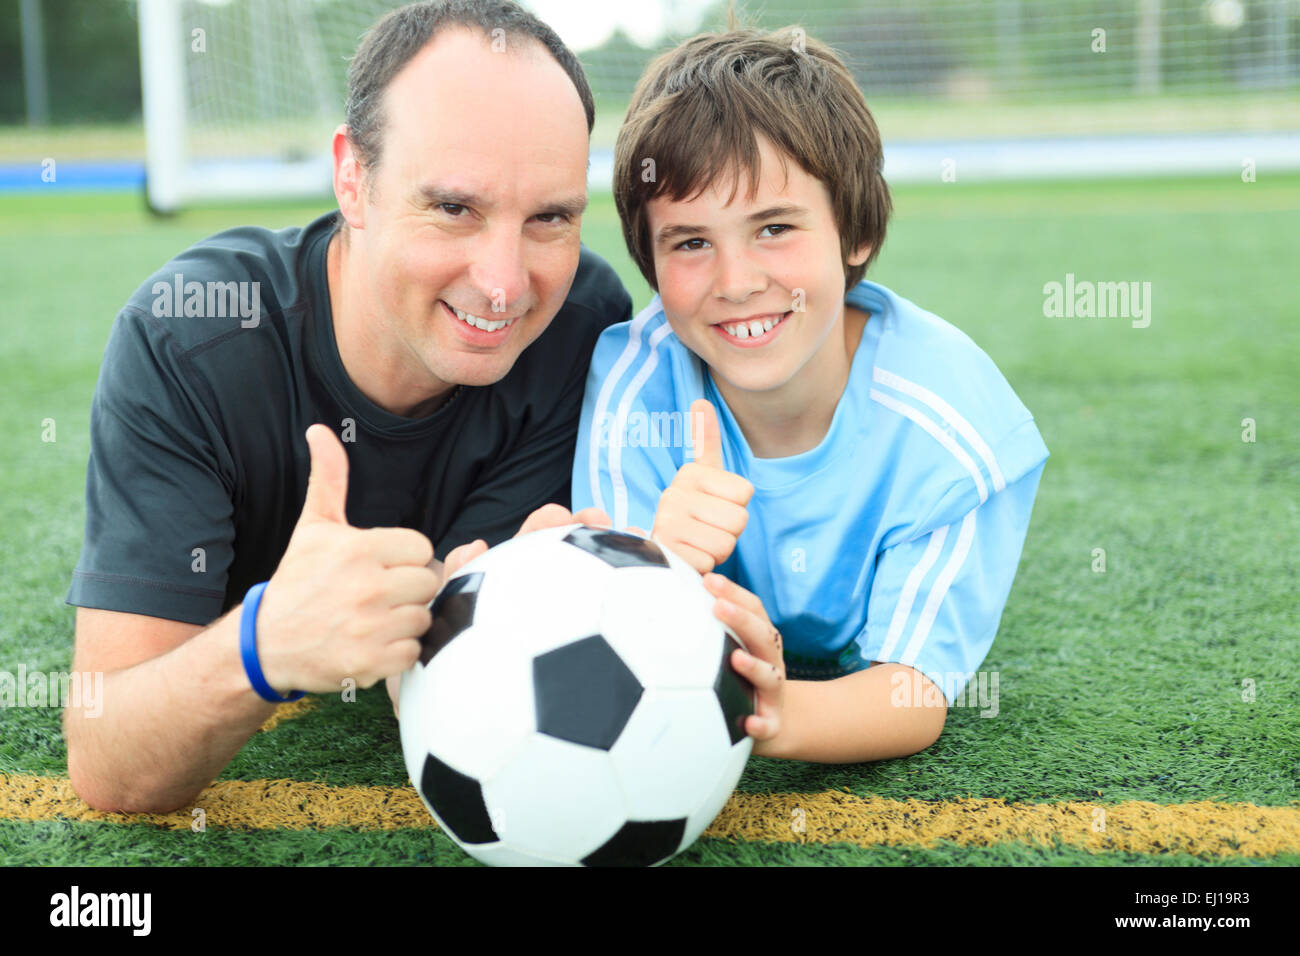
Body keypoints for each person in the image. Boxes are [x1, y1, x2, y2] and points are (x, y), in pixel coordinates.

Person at [63, 0, 629, 813]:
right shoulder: (190, 339)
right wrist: (265, 645)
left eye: (550, 218)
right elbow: (110, 764)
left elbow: (467, 652)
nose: (506, 283)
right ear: (353, 180)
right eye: (454, 208)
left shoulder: (580, 327)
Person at [572, 27, 1050, 764]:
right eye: (691, 242)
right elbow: (610, 639)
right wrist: (658, 559)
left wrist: (768, 713)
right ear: (651, 263)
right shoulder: (636, 385)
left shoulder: (957, 429)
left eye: (774, 227)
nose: (736, 281)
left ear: (853, 232)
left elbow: (908, 694)